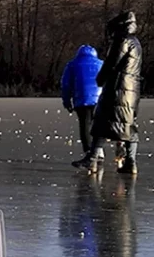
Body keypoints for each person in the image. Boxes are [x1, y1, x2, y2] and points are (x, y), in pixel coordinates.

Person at [74, 11, 143, 175]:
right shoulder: (136, 42)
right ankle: (131, 162)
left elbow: (112, 63)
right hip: (132, 89)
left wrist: (100, 79)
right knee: (128, 125)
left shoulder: (122, 40)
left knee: (102, 122)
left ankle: (91, 159)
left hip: (118, 88)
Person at [60, 45, 103, 156]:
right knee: (98, 124)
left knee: (85, 124)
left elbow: (66, 85)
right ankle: (98, 150)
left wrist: (67, 102)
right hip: (99, 99)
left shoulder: (72, 65)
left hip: (81, 98)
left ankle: (89, 151)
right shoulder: (101, 64)